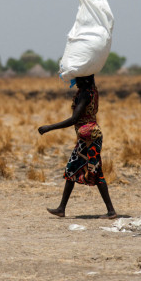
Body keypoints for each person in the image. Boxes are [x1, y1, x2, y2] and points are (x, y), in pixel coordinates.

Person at [38, 74, 117, 219]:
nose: (75, 83)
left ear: (85, 80)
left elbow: (74, 119)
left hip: (89, 139)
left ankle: (110, 211)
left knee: (83, 170)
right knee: (78, 170)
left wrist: (50, 127)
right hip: (89, 137)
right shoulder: (91, 90)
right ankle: (62, 208)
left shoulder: (86, 94)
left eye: (79, 79)